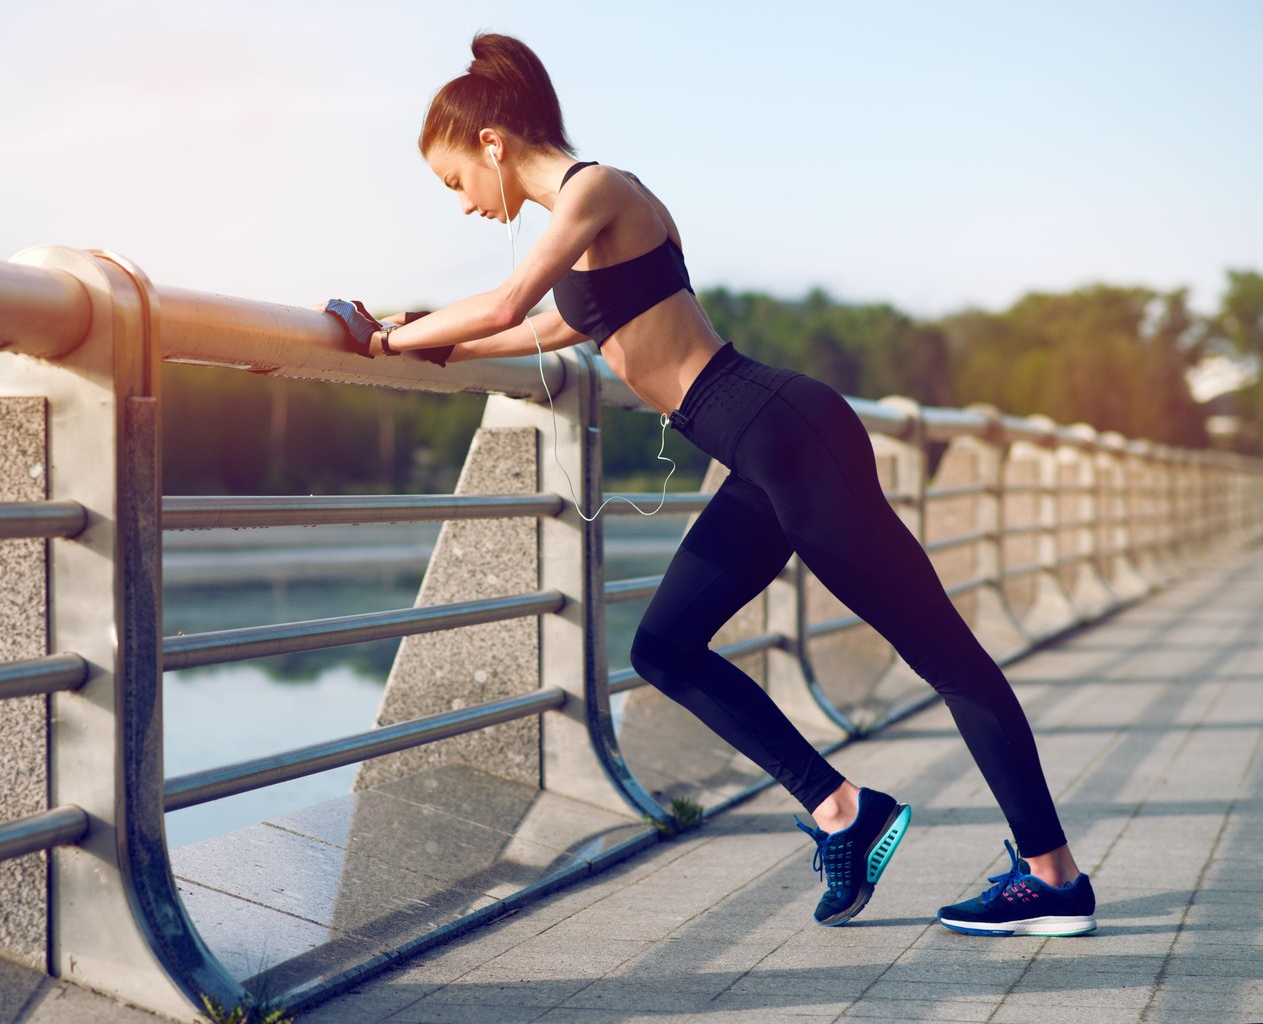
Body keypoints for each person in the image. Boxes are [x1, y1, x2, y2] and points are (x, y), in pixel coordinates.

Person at [361, 31, 1095, 936]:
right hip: (758, 452)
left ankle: (1052, 876)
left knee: (946, 656)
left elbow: (511, 304)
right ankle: (842, 812)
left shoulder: (597, 190)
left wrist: (393, 339)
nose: (463, 204)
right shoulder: (586, 235)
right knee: (664, 649)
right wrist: (426, 335)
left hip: (787, 434)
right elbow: (542, 330)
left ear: (491, 145)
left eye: (454, 182)